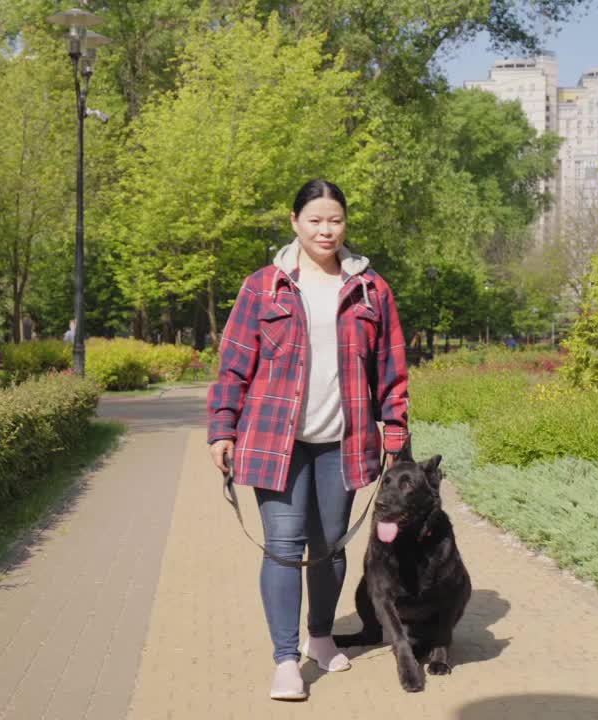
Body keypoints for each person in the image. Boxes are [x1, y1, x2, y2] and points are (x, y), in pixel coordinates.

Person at [207, 179, 410, 701]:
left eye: (335, 220)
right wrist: (222, 428)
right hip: (276, 440)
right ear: (295, 221)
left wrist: (396, 428)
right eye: (316, 219)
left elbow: (390, 366)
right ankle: (284, 659)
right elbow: (233, 364)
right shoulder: (264, 286)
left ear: (346, 224)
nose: (326, 229)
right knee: (281, 548)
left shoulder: (370, 290)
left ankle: (319, 635)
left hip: (342, 442)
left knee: (328, 548)